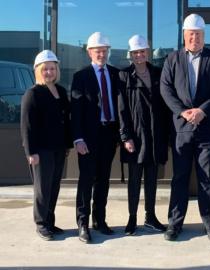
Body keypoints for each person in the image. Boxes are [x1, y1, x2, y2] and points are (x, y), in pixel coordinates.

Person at [160, 13, 210, 242]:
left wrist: (202, 111)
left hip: (206, 128)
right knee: (179, 177)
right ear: (184, 36)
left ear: (203, 36)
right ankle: (174, 224)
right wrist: (182, 111)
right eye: (191, 34)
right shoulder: (172, 59)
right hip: (181, 128)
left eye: (198, 35)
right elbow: (165, 89)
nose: (194, 38)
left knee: (206, 177)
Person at [118, 35, 171, 236]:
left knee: (151, 178)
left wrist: (166, 136)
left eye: (142, 52)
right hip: (136, 136)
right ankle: (132, 218)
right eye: (135, 53)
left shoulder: (158, 73)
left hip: (155, 135)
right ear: (130, 55)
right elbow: (121, 109)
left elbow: (165, 106)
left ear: (147, 53)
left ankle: (150, 217)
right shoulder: (124, 76)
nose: (139, 55)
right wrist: (126, 136)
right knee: (134, 179)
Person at [71, 32, 120, 243]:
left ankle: (100, 220)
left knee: (103, 180)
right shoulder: (80, 76)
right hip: (89, 137)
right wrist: (78, 138)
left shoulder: (116, 74)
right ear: (89, 52)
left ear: (108, 51)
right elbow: (76, 111)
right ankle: (83, 222)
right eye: (97, 50)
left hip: (109, 134)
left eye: (104, 50)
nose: (101, 54)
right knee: (86, 180)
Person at [20, 50, 72, 241]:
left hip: (58, 149)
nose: (49, 72)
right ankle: (41, 224)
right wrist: (30, 152)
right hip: (41, 151)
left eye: (52, 68)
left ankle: (50, 221)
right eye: (45, 69)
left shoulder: (61, 91)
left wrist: (67, 144)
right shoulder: (33, 93)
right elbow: (26, 126)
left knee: (54, 187)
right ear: (38, 71)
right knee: (42, 189)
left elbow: (65, 120)